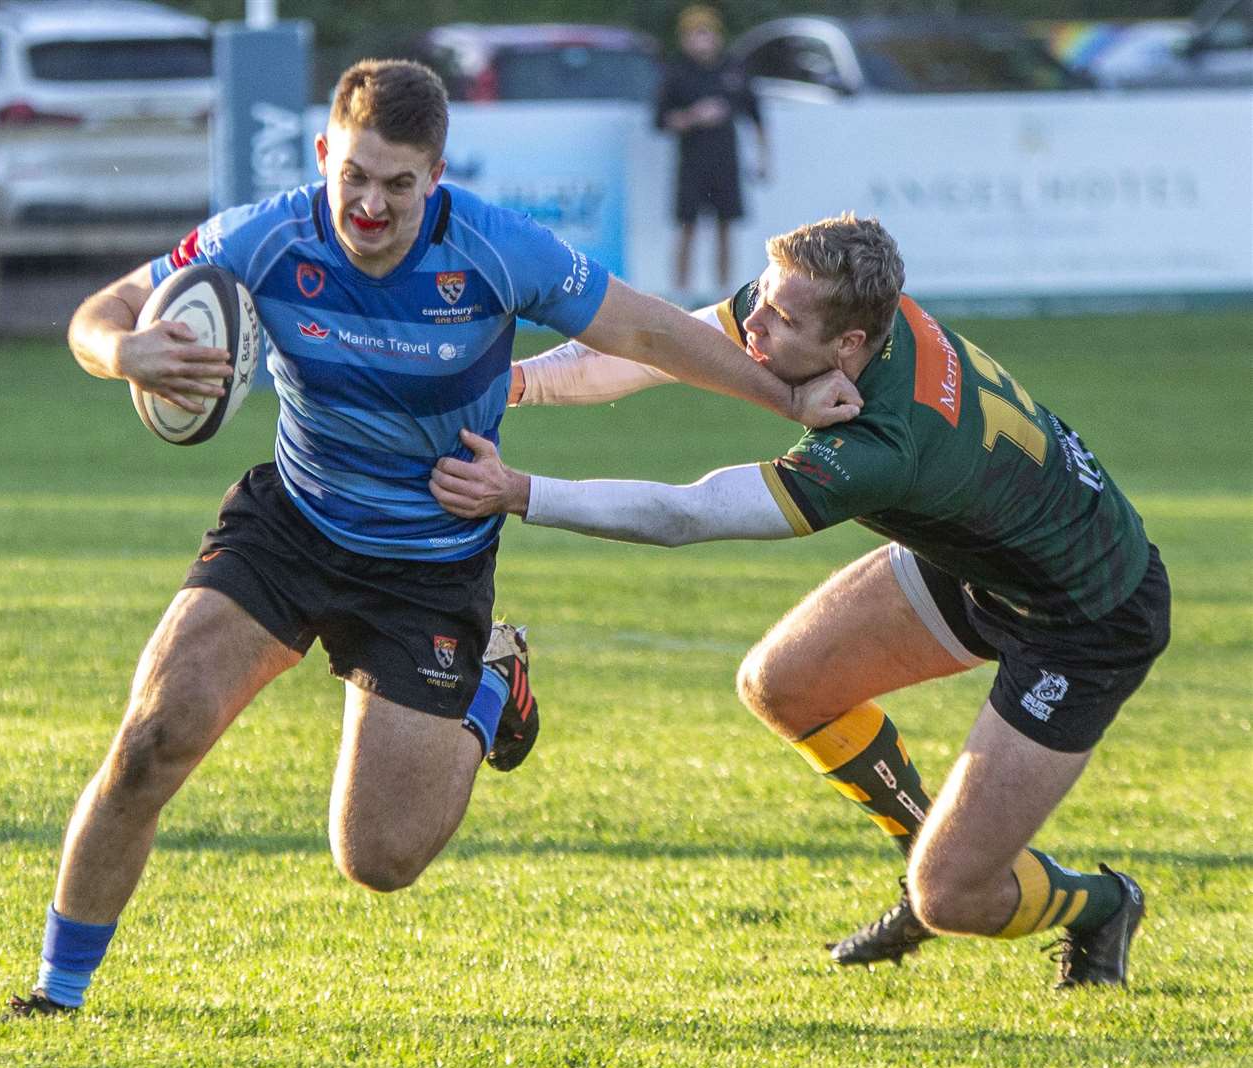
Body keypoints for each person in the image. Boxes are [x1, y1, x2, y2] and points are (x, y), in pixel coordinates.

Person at [5, 60, 863, 1018]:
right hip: (293, 521)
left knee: (379, 859)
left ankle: (491, 681)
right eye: (355, 177)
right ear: (325, 153)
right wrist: (123, 351)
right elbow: (104, 310)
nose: (370, 204)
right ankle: (54, 993)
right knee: (152, 740)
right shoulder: (265, 234)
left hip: (433, 558)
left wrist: (782, 395)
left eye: (398, 184)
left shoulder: (499, 250)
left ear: (437, 176)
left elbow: (646, 332)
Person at [432, 212, 1170, 989]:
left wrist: (517, 493)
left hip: (1084, 616)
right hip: (985, 556)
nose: (752, 320)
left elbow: (690, 514)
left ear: (849, 346)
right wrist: (511, 383)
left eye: (779, 319)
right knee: (782, 685)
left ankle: (1101, 905)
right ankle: (922, 847)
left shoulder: (877, 447)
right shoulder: (844, 307)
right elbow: (655, 352)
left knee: (952, 894)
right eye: (763, 299)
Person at [656, 5, 768, 299]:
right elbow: (661, 121)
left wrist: (763, 157)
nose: (701, 40)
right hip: (692, 164)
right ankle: (681, 294)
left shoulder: (733, 69)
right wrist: (694, 116)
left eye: (706, 33)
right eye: (695, 34)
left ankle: (724, 293)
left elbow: (756, 115)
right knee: (687, 228)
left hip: (725, 162)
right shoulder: (677, 73)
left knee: (725, 228)